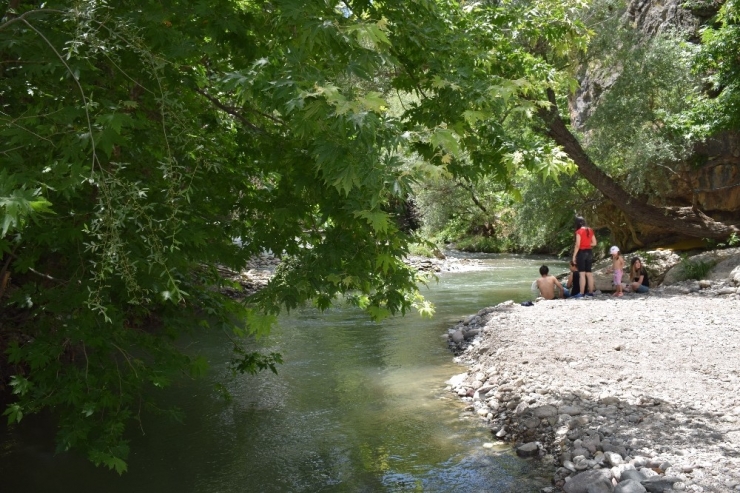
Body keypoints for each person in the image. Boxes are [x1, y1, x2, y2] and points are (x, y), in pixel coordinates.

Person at [571, 216, 597, 298]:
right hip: (589, 252)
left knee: (582, 274)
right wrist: (587, 244)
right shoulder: (590, 230)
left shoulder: (579, 231)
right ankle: (591, 292)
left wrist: (574, 256)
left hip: (581, 253)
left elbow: (577, 245)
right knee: (589, 274)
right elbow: (595, 243)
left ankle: (581, 293)